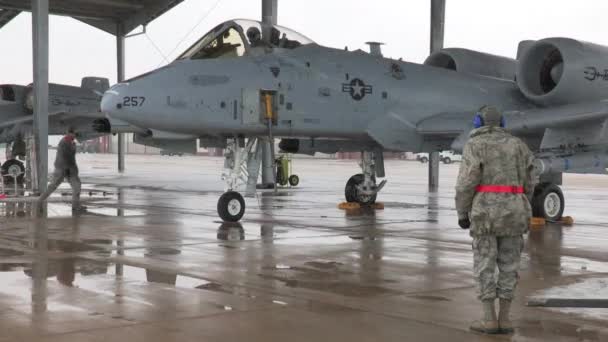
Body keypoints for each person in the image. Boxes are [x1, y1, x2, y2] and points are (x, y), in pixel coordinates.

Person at [455, 106, 537, 334]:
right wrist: (521, 200)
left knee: (485, 264)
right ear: (502, 122)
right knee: (510, 265)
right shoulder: (518, 145)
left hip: (486, 215)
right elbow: (532, 178)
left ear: (477, 121)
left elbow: (466, 183)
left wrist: (462, 213)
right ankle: (506, 319)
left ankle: (489, 319)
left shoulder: (475, 145)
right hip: (515, 211)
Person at [39, 127, 86, 212]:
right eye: (74, 134)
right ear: (69, 133)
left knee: (77, 187)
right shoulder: (65, 142)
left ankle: (76, 206)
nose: (75, 136)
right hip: (63, 169)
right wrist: (67, 168)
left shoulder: (69, 142)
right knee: (53, 186)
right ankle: (40, 200)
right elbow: (66, 157)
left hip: (68, 169)